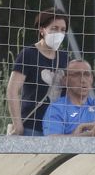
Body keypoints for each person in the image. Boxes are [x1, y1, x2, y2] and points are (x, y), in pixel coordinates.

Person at [6, 8, 70, 136]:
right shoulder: (28, 54)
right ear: (42, 29)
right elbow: (12, 90)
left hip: (56, 128)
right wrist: (17, 124)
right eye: (54, 28)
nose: (59, 33)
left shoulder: (64, 57)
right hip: (31, 126)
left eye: (63, 30)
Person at [42, 59, 95, 137]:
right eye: (76, 75)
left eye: (87, 74)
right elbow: (52, 141)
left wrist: (84, 126)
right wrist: (90, 134)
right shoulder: (56, 108)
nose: (83, 80)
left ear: (92, 79)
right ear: (65, 80)